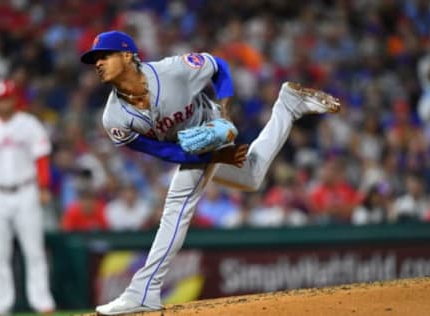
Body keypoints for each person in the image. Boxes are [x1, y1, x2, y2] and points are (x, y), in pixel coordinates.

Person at [80, 30, 340, 315]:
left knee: (177, 205)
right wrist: (215, 156)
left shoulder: (171, 71)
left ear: (128, 55)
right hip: (193, 146)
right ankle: (288, 107)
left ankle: (143, 291)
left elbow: (220, 67)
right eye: (95, 59)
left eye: (104, 55)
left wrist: (225, 113)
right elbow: (164, 152)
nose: (98, 63)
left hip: (212, 124)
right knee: (251, 177)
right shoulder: (113, 117)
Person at [0, 79, 55, 315]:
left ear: (15, 99)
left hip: (26, 191)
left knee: (34, 251)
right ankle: (0, 305)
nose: (2, 104)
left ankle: (42, 303)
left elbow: (41, 159)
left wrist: (44, 186)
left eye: (6, 98)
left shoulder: (29, 125)